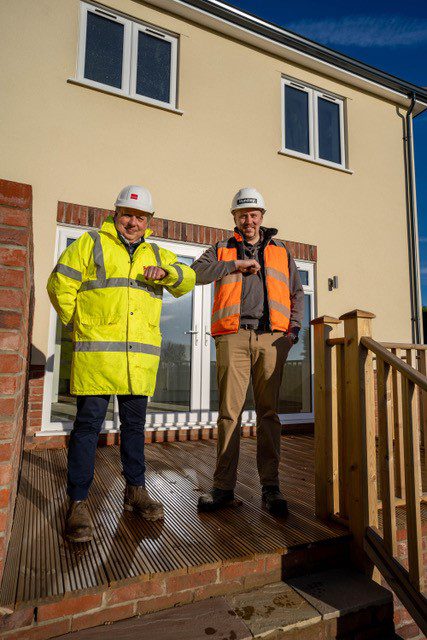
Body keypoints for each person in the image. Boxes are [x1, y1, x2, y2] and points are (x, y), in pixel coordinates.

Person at [47, 185, 195, 542]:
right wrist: (77, 324)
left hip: (137, 362)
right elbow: (59, 285)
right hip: (97, 358)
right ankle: (78, 502)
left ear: (149, 222)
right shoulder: (91, 243)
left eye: (140, 217)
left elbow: (186, 280)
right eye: (127, 215)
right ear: (115, 214)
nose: (132, 222)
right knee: (87, 429)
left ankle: (135, 491)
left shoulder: (157, 253)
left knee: (133, 428)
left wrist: (169, 275)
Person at [192, 187, 304, 516]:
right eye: (243, 215)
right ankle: (223, 488)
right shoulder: (221, 249)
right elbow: (196, 274)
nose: (249, 219)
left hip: (272, 339)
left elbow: (297, 293)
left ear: (262, 218)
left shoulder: (282, 251)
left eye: (254, 214)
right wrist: (233, 266)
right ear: (235, 219)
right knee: (229, 414)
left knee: (268, 414)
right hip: (233, 336)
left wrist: (293, 331)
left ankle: (271, 487)